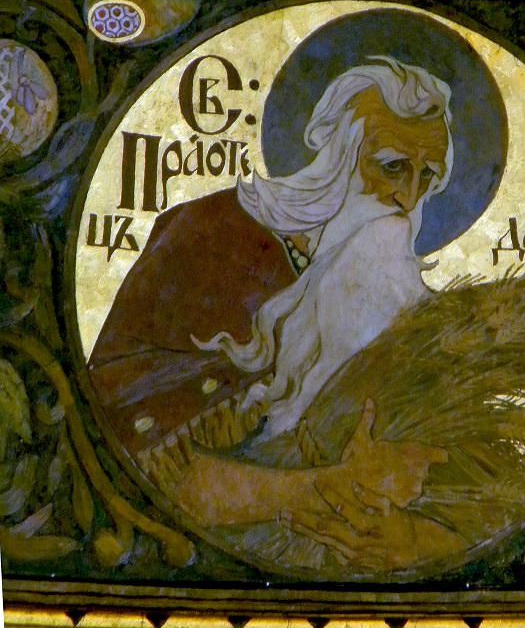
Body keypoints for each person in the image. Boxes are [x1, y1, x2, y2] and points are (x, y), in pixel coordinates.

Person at [88, 57, 468, 568]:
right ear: (336, 156)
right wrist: (324, 489)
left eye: (428, 177)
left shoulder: (400, 291)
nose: (408, 197)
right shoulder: (210, 238)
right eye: (392, 166)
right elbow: (128, 461)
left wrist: (417, 537)